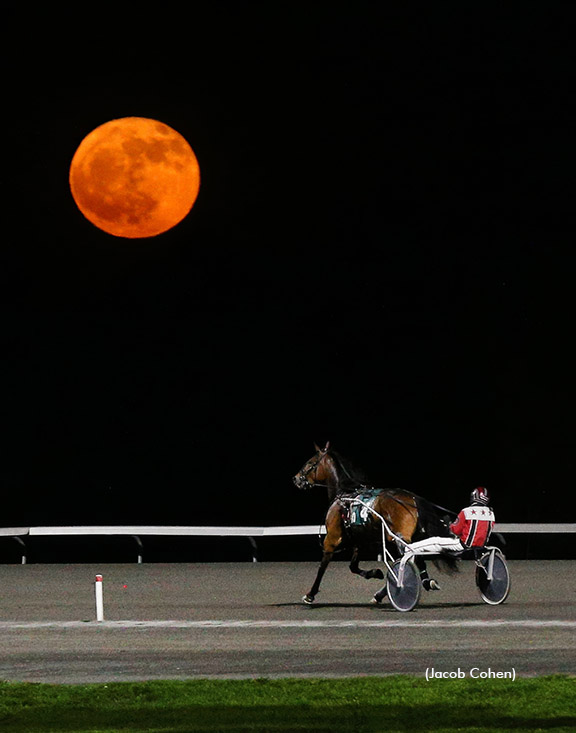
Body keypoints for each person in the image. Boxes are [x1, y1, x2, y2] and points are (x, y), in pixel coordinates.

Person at [406, 486, 495, 557]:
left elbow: (455, 530)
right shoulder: (491, 513)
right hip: (481, 547)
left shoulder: (466, 511)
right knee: (437, 545)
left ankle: (408, 548)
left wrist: (449, 525)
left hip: (463, 546)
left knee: (435, 540)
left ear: (473, 496)